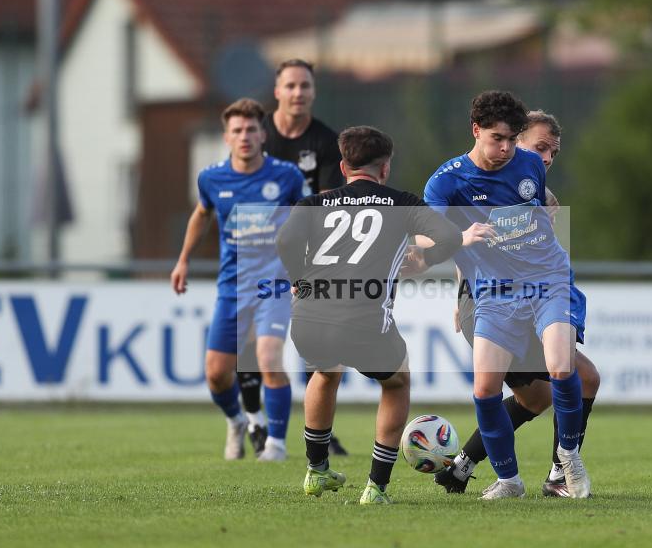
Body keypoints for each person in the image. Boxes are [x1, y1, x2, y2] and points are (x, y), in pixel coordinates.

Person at [276, 125, 489, 504]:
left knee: (324, 373)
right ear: (385, 168)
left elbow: (285, 239)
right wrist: (424, 258)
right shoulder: (401, 203)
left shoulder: (313, 204)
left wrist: (297, 279)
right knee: (396, 382)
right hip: (363, 321)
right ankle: (376, 487)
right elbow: (450, 237)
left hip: (307, 319)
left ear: (343, 167)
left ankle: (317, 471)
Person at [420, 91, 591, 499]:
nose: (507, 148)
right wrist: (461, 238)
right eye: (498, 138)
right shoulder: (446, 182)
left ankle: (567, 459)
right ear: (475, 130)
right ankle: (510, 481)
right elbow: (428, 239)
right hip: (494, 293)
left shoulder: (529, 164)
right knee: (484, 390)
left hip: (548, 281)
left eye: (513, 139)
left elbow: (535, 209)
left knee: (562, 367)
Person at [170, 98, 306, 462]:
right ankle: (238, 421)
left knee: (268, 357)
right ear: (226, 137)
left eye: (250, 129)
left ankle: (275, 444)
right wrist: (183, 260)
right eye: (237, 131)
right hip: (232, 287)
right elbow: (201, 215)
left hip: (274, 284)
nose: (244, 136)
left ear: (263, 134)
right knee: (216, 374)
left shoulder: (287, 176)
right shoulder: (211, 178)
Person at [237, 58, 348, 456]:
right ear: (277, 90)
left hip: (309, 257)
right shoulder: (256, 133)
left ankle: (319, 428)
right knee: (252, 345)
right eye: (291, 86)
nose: (299, 93)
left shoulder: (326, 142)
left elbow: (332, 205)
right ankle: (254, 420)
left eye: (305, 86)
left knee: (313, 342)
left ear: (313, 92)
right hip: (258, 255)